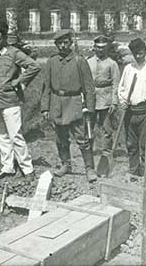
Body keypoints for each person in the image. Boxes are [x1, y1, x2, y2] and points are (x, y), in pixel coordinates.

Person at [0, 21, 40, 180]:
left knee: (15, 135)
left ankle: (28, 169)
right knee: (1, 136)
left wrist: (20, 82)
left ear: (5, 38)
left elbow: (34, 66)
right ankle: (7, 167)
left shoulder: (14, 53)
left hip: (10, 101)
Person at [40, 29, 98, 183]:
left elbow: (89, 87)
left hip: (74, 103)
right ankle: (66, 164)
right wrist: (45, 108)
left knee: (82, 138)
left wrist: (90, 109)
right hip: (57, 103)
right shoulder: (52, 62)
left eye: (66, 42)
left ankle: (89, 168)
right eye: (60, 43)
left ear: (71, 43)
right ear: (56, 45)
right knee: (60, 138)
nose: (63, 46)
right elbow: (46, 87)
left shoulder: (79, 61)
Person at [118, 38, 146, 177]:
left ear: (145, 52)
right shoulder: (128, 69)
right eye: (136, 54)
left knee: (145, 144)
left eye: (141, 53)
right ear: (132, 53)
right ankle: (133, 170)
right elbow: (121, 88)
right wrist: (123, 101)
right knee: (131, 144)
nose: (139, 56)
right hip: (130, 112)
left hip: (145, 112)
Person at [87, 35, 120, 160]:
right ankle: (88, 150)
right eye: (98, 47)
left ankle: (106, 152)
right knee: (89, 127)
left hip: (105, 99)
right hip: (91, 98)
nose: (100, 50)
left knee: (107, 128)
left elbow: (116, 84)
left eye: (103, 48)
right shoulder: (88, 62)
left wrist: (114, 102)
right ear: (94, 47)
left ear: (106, 48)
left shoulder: (112, 64)